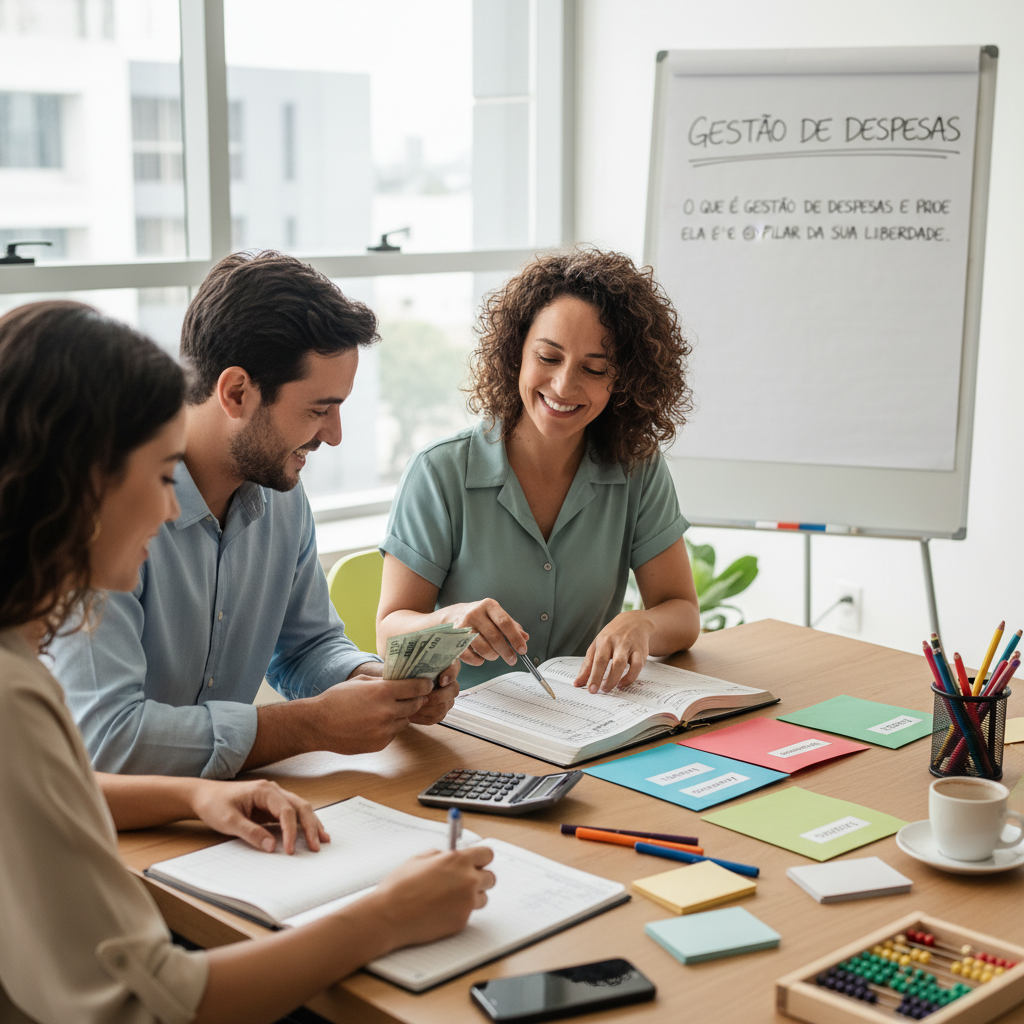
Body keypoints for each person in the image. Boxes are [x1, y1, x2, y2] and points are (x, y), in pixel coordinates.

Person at [0, 300, 495, 1024]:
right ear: (83, 486)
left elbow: (48, 790)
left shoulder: (17, 668)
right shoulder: (15, 696)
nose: (171, 511)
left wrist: (195, 795)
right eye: (161, 474)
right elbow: (160, 1003)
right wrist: (385, 916)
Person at [51, 251, 459, 780]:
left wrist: (376, 683)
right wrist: (304, 727)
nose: (334, 435)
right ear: (237, 392)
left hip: (233, 812)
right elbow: (107, 740)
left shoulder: (283, 493)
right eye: (319, 409)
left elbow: (306, 646)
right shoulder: (112, 511)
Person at [377, 248, 702, 694]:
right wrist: (447, 621)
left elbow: (681, 610)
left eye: (594, 369)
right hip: (466, 721)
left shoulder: (637, 466)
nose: (564, 385)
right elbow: (389, 633)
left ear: (623, 380)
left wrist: (642, 624)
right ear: (517, 353)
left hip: (587, 721)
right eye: (548, 358)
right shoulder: (439, 472)